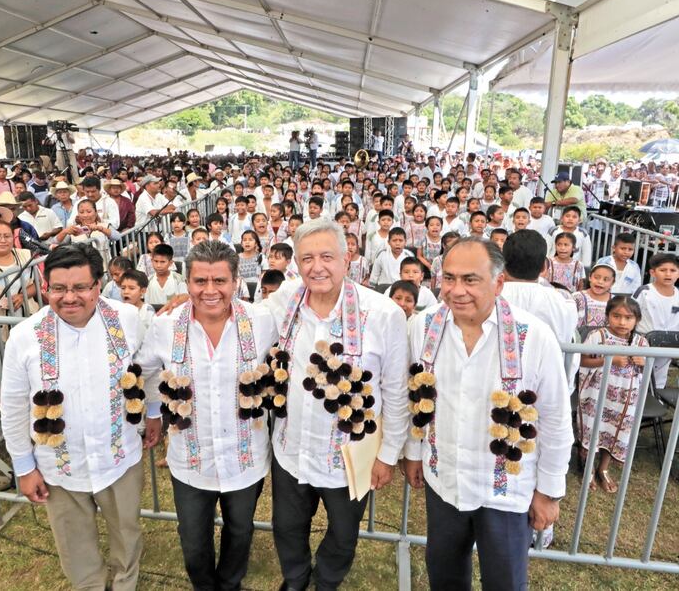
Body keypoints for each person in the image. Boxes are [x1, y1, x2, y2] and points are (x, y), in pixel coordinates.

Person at [403, 237, 573, 590]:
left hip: (505, 490)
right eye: (449, 278)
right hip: (444, 480)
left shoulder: (534, 337)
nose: (456, 290)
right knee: (445, 574)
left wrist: (549, 491)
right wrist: (414, 453)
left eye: (470, 279)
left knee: (505, 581)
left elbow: (555, 420)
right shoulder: (423, 326)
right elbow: (416, 396)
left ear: (498, 283)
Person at [1, 244, 160, 590]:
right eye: (58, 288)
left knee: (126, 531)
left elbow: (148, 371)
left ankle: (125, 582)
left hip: (119, 457)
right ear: (45, 288)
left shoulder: (127, 319)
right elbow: (12, 406)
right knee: (74, 544)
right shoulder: (24, 336)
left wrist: (152, 412)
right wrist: (24, 467)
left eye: (80, 287)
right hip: (59, 465)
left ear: (99, 285)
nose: (69, 298)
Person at [264, 219, 408, 590]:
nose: (316, 267)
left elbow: (394, 389)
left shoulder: (382, 313)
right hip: (291, 448)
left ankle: (326, 581)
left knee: (344, 534)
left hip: (349, 456)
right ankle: (295, 578)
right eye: (307, 258)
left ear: (347, 259)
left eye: (327, 256)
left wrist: (388, 454)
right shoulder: (285, 299)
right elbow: (241, 316)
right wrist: (189, 301)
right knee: (287, 527)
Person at [140, 241, 276, 590]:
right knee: (193, 538)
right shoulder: (166, 325)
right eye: (200, 282)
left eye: (220, 281)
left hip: (244, 458)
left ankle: (230, 584)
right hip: (190, 459)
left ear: (235, 283)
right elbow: (145, 370)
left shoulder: (262, 319)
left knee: (241, 530)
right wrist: (154, 411)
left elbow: (303, 291)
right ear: (187, 284)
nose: (210, 291)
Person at [577, 296, 648, 493]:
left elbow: (647, 371)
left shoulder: (642, 342)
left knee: (615, 430)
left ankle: (603, 468)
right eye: (616, 316)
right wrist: (609, 360)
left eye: (628, 317)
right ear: (607, 315)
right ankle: (589, 467)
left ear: (637, 320)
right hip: (597, 395)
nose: (622, 322)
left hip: (625, 399)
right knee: (594, 428)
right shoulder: (597, 337)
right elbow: (582, 362)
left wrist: (644, 363)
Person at [635, 253, 679, 388]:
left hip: (668, 347)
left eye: (673, 270)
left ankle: (656, 400)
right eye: (663, 270)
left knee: (658, 381)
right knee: (638, 379)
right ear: (653, 272)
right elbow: (631, 314)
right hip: (642, 344)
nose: (668, 274)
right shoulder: (645, 292)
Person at [573, 264, 615, 329]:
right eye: (596, 277)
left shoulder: (616, 301)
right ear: (590, 277)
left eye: (606, 279)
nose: (600, 282)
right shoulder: (576, 297)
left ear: (612, 283)